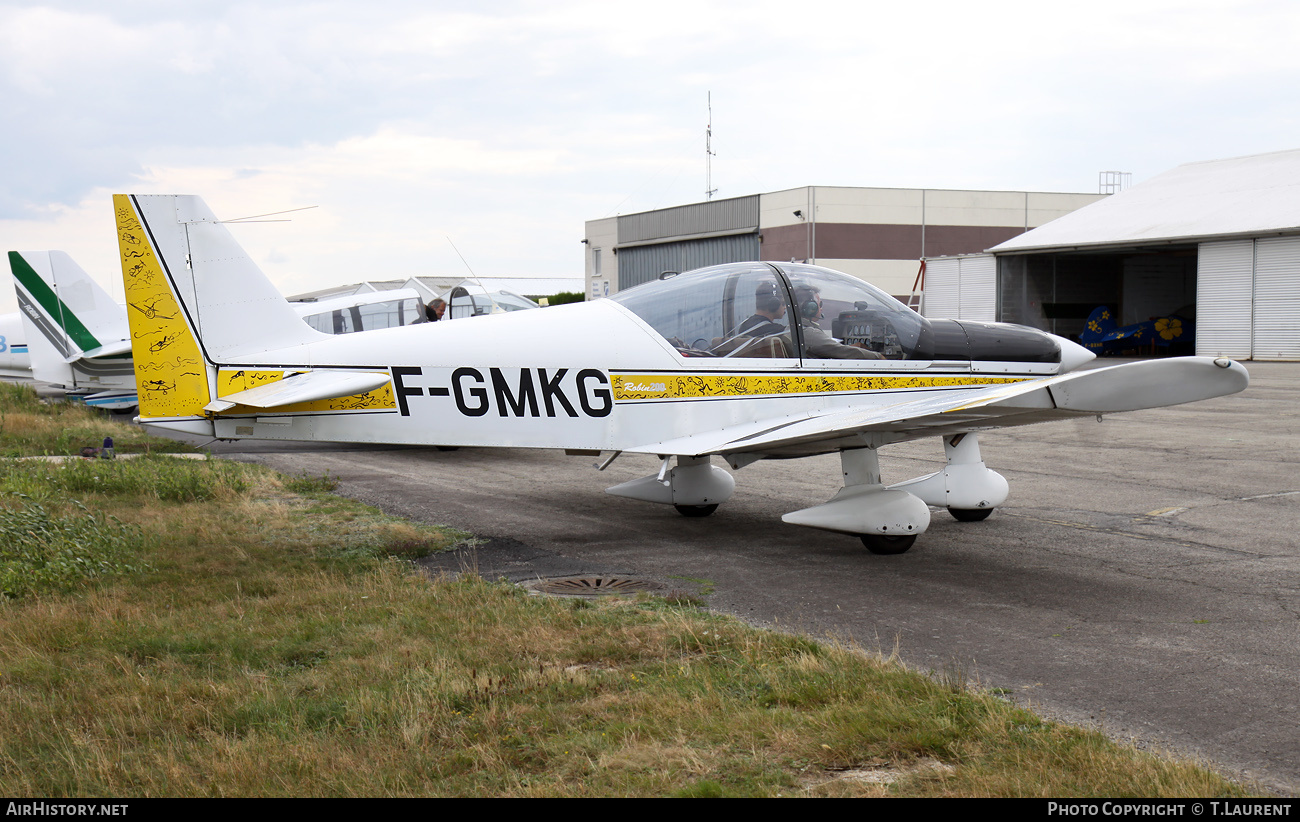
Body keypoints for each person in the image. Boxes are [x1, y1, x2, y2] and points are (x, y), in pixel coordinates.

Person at [792, 285, 883, 359]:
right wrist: (879, 357)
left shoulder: (794, 329)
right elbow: (843, 352)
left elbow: (832, 348)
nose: (821, 308)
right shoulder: (809, 333)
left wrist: (851, 346)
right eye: (819, 304)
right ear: (810, 308)